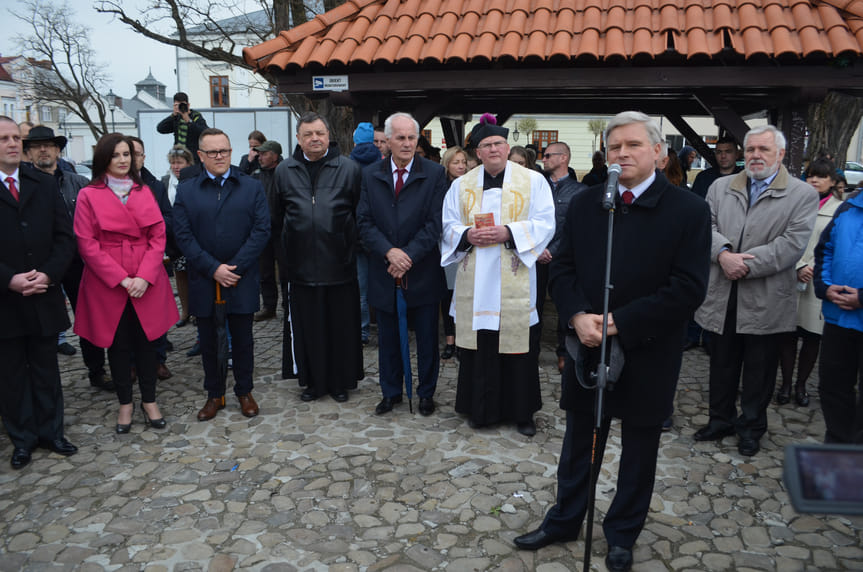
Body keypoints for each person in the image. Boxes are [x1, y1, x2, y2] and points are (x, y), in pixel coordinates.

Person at [513, 111, 711, 572]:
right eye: (615, 146)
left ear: (659, 153)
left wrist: (619, 321)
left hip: (648, 348)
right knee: (580, 440)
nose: (622, 153)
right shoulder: (587, 204)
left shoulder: (688, 210)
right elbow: (561, 268)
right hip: (587, 342)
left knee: (640, 448)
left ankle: (622, 533)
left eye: (634, 145)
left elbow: (687, 287)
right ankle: (565, 518)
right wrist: (579, 315)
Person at [694, 125, 818, 457]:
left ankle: (751, 427)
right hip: (723, 293)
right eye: (750, 150)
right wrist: (723, 255)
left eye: (764, 149)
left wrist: (743, 263)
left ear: (780, 154)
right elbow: (705, 227)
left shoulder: (802, 194)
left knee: (759, 370)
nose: (756, 156)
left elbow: (791, 246)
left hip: (766, 297)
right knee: (721, 363)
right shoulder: (721, 187)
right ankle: (720, 420)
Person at [441, 113, 555, 437]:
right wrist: (466, 235)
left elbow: (547, 222)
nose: (493, 150)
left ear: (507, 148)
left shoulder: (533, 181)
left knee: (519, 348)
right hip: (476, 280)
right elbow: (447, 225)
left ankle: (523, 413)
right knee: (480, 348)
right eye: (486, 145)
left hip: (514, 275)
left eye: (498, 144)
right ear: (478, 152)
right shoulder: (461, 185)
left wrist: (509, 231)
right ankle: (481, 410)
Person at [73, 133, 178, 434]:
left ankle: (149, 400)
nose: (122, 160)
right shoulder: (88, 194)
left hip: (146, 278)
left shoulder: (143, 190)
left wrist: (144, 276)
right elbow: (86, 242)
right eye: (116, 155)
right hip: (108, 281)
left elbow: (158, 236)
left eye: (127, 155)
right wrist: (121, 279)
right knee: (117, 346)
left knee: (147, 344)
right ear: (104, 158)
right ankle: (125, 403)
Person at [173, 128, 270, 421]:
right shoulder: (187, 189)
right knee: (209, 340)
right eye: (212, 152)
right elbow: (183, 234)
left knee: (243, 339)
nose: (219, 157)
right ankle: (214, 393)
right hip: (204, 279)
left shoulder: (250, 186)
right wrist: (212, 268)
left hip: (241, 278)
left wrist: (234, 268)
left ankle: (244, 390)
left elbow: (261, 230)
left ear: (231, 151)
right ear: (201, 156)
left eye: (224, 151)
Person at [357, 112, 448, 416]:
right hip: (385, 269)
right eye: (400, 137)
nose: (407, 143)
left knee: (426, 338)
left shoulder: (435, 174)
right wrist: (389, 252)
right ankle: (391, 391)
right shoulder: (370, 174)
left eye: (412, 137)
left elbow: (436, 223)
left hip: (421, 269)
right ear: (387, 141)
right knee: (388, 337)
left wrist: (406, 255)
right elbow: (364, 221)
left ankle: (425, 393)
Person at [0, 116, 77, 469]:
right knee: (12, 373)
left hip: (44, 293)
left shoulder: (43, 184)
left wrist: (47, 273)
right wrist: (10, 279)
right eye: (5, 139)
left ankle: (52, 431)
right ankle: (23, 438)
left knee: (46, 369)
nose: (13, 144)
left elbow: (65, 237)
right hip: (6, 299)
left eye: (17, 137)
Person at [274, 112, 363, 403]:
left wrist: (350, 247)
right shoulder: (284, 171)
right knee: (308, 329)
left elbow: (359, 215)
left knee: (340, 328)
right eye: (308, 134)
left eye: (320, 133)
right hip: (300, 268)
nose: (314, 138)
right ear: (298, 139)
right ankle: (312, 381)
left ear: (329, 136)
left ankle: (340, 381)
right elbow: (276, 218)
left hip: (340, 264)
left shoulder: (349, 169)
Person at [23, 125, 115, 391]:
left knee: (88, 318)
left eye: (48, 145)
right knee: (43, 324)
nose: (43, 150)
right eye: (37, 146)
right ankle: (41, 379)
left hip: (78, 262)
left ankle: (97, 370)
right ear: (28, 153)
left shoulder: (78, 182)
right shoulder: (25, 186)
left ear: (57, 149)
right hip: (40, 265)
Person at [776, 159, 844, 406]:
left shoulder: (840, 210)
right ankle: (784, 384)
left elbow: (839, 248)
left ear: (833, 181)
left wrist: (815, 269)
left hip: (819, 280)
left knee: (812, 337)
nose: (814, 180)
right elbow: (781, 237)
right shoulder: (793, 204)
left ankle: (801, 385)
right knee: (787, 336)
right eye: (810, 176)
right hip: (790, 275)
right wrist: (798, 266)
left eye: (821, 177)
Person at [813, 178, 863, 444]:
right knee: (833, 388)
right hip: (839, 318)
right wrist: (825, 287)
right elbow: (825, 250)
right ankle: (838, 450)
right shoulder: (848, 208)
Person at [542, 141, 587, 373]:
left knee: (565, 307)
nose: (544, 159)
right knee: (533, 304)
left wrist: (554, 250)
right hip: (535, 255)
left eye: (548, 155)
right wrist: (536, 248)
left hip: (562, 257)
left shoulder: (579, 192)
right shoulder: (538, 187)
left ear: (563, 158)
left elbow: (577, 227)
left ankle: (564, 352)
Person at [350, 122, 381, 344]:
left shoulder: (347, 165)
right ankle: (385, 327)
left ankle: (361, 332)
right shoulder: (382, 164)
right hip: (379, 236)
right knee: (383, 286)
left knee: (360, 288)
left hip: (355, 234)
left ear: (354, 141)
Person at [439, 146, 468, 360]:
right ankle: (450, 340)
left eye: (463, 162)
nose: (460, 166)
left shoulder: (471, 186)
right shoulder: (440, 187)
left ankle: (464, 339)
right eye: (456, 162)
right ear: (447, 164)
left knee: (466, 293)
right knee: (448, 294)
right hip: (447, 244)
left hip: (468, 246)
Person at [161, 145, 195, 328]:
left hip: (192, 236)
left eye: (179, 162)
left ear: (188, 163)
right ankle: (185, 311)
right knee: (180, 276)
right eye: (173, 162)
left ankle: (197, 311)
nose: (176, 166)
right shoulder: (166, 182)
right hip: (174, 239)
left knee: (195, 276)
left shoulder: (194, 179)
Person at [251, 140, 285, 322]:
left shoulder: (285, 173)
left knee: (286, 270)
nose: (260, 157)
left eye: (264, 154)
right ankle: (269, 306)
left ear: (275, 155)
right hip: (263, 232)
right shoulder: (256, 176)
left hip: (283, 231)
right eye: (259, 154)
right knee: (265, 272)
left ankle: (288, 305)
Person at [156, 92, 208, 162]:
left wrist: (188, 120)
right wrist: (173, 115)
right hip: (179, 157)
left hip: (193, 158)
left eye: (183, 105)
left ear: (188, 105)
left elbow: (204, 132)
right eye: (177, 105)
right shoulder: (176, 118)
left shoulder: (195, 116)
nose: (181, 107)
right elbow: (160, 129)